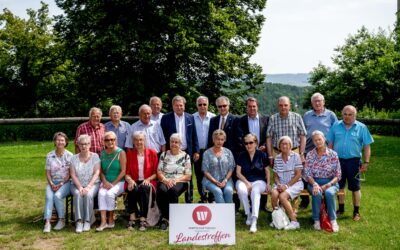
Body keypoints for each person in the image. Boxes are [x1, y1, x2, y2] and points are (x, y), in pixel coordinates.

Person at [327, 105, 373, 221]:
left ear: (355, 115)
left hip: (354, 161)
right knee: (339, 186)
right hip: (337, 161)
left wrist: (366, 162)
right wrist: (329, 160)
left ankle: (356, 212)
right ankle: (341, 209)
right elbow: (330, 143)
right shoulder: (336, 125)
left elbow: (367, 146)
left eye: (350, 114)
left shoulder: (362, 127)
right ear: (342, 114)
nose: (347, 117)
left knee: (355, 188)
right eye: (345, 114)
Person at [300, 93, 338, 209]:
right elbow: (302, 133)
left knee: (326, 173)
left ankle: (326, 199)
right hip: (308, 150)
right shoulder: (306, 115)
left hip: (326, 151)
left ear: (324, 102)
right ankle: (305, 200)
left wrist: (332, 149)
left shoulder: (331, 115)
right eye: (315, 101)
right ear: (312, 103)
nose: (317, 103)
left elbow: (336, 132)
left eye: (319, 101)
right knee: (305, 174)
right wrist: (301, 152)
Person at [160, 96, 199, 203]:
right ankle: (171, 198)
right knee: (171, 175)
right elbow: (162, 136)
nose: (179, 107)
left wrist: (196, 151)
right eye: (176, 105)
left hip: (187, 152)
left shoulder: (190, 117)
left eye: (181, 105)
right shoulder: (166, 118)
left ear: (184, 106)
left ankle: (189, 201)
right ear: (173, 106)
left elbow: (194, 135)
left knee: (188, 177)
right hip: (171, 153)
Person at [305, 131, 341, 232]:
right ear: (313, 142)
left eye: (319, 139)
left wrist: (329, 184)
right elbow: (307, 174)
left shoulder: (333, 154)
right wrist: (315, 184)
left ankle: (333, 220)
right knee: (317, 193)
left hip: (331, 182)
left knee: (329, 193)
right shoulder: (310, 155)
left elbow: (338, 174)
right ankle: (316, 220)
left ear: (324, 139)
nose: (318, 142)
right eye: (315, 140)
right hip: (314, 182)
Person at [236, 133, 271, 233]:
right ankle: (248, 214)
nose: (248, 145)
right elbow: (238, 173)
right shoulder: (241, 155)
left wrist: (268, 183)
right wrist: (246, 182)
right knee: (242, 190)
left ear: (256, 143)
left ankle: (254, 220)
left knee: (255, 191)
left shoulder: (262, 155)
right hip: (244, 179)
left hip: (259, 181)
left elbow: (267, 171)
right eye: (246, 143)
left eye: (251, 142)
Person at [240, 96, 270, 212]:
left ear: (257, 106)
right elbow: (240, 136)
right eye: (249, 106)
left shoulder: (266, 119)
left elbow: (268, 136)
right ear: (246, 108)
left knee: (262, 175)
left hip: (262, 152)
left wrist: (264, 147)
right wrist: (247, 148)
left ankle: (263, 205)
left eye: (254, 106)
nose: (252, 108)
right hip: (247, 153)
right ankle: (251, 204)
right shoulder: (241, 120)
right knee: (249, 176)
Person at [125, 131, 159, 231]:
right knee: (132, 188)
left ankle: (143, 218)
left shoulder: (152, 153)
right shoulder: (130, 154)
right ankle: (132, 217)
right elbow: (127, 173)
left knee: (144, 188)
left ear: (144, 140)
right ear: (133, 141)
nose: (139, 142)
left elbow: (156, 172)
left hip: (148, 180)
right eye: (136, 140)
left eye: (141, 139)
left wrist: (148, 179)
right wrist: (130, 180)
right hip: (134, 180)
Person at [157, 133, 191, 230]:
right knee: (162, 190)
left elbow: (188, 175)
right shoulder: (163, 155)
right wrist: (166, 180)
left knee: (172, 191)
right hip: (165, 180)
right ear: (169, 143)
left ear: (180, 144)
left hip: (180, 180)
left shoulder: (186, 156)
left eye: (176, 142)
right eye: (172, 142)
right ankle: (165, 217)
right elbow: (159, 171)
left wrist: (175, 180)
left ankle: (171, 218)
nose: (174, 144)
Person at [271, 136, 303, 230]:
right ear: (279, 146)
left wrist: (286, 186)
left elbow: (298, 175)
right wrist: (279, 184)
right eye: (282, 144)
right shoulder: (277, 158)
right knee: (274, 194)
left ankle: (294, 221)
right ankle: (278, 219)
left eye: (286, 144)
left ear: (290, 146)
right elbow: (276, 176)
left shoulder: (296, 156)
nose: (284, 146)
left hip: (295, 183)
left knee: (282, 196)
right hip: (281, 183)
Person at [70, 134, 101, 233]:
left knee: (88, 195)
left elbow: (97, 173)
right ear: (78, 145)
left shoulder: (95, 156)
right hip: (76, 184)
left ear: (90, 145)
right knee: (78, 195)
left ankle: (88, 220)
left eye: (86, 144)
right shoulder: (73, 158)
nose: (84, 146)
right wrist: (79, 187)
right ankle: (79, 221)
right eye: (82, 144)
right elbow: (73, 175)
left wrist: (88, 187)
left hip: (92, 184)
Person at [43, 132, 73, 233]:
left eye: (62, 140)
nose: (60, 142)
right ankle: (47, 222)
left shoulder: (70, 156)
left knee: (57, 196)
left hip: (65, 182)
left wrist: (60, 184)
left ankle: (61, 220)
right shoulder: (49, 155)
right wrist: (51, 183)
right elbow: (47, 172)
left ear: (66, 142)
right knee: (49, 197)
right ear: (55, 142)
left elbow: (70, 174)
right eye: (58, 140)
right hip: (52, 182)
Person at [96, 131, 126, 231]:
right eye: (107, 140)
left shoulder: (121, 152)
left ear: (115, 140)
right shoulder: (102, 153)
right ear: (104, 142)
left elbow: (123, 171)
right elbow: (100, 171)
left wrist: (112, 184)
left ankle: (111, 219)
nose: (110, 142)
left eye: (112, 139)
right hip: (106, 181)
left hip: (119, 181)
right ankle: (103, 222)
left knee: (109, 194)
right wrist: (104, 181)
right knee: (101, 193)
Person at [266, 96, 307, 166]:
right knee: (277, 176)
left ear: (290, 106)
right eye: (281, 105)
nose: (283, 107)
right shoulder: (273, 118)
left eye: (285, 105)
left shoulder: (297, 117)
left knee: (295, 175)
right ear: (278, 106)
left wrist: (301, 153)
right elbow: (269, 138)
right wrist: (270, 155)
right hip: (277, 153)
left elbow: (303, 136)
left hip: (294, 153)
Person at [192, 96, 215, 202]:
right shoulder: (191, 118)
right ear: (197, 105)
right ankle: (202, 197)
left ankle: (211, 197)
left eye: (204, 104)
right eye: (200, 104)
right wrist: (195, 151)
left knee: (211, 174)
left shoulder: (213, 117)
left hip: (210, 150)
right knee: (199, 175)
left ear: (208, 105)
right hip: (197, 151)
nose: (202, 106)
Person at [202, 129, 235, 204]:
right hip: (210, 180)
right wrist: (215, 181)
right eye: (217, 139)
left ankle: (226, 213)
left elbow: (231, 168)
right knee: (218, 191)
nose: (219, 141)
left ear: (224, 140)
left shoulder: (228, 152)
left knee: (229, 191)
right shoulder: (207, 153)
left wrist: (225, 180)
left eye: (222, 139)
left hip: (226, 180)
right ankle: (224, 213)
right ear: (213, 140)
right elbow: (205, 171)